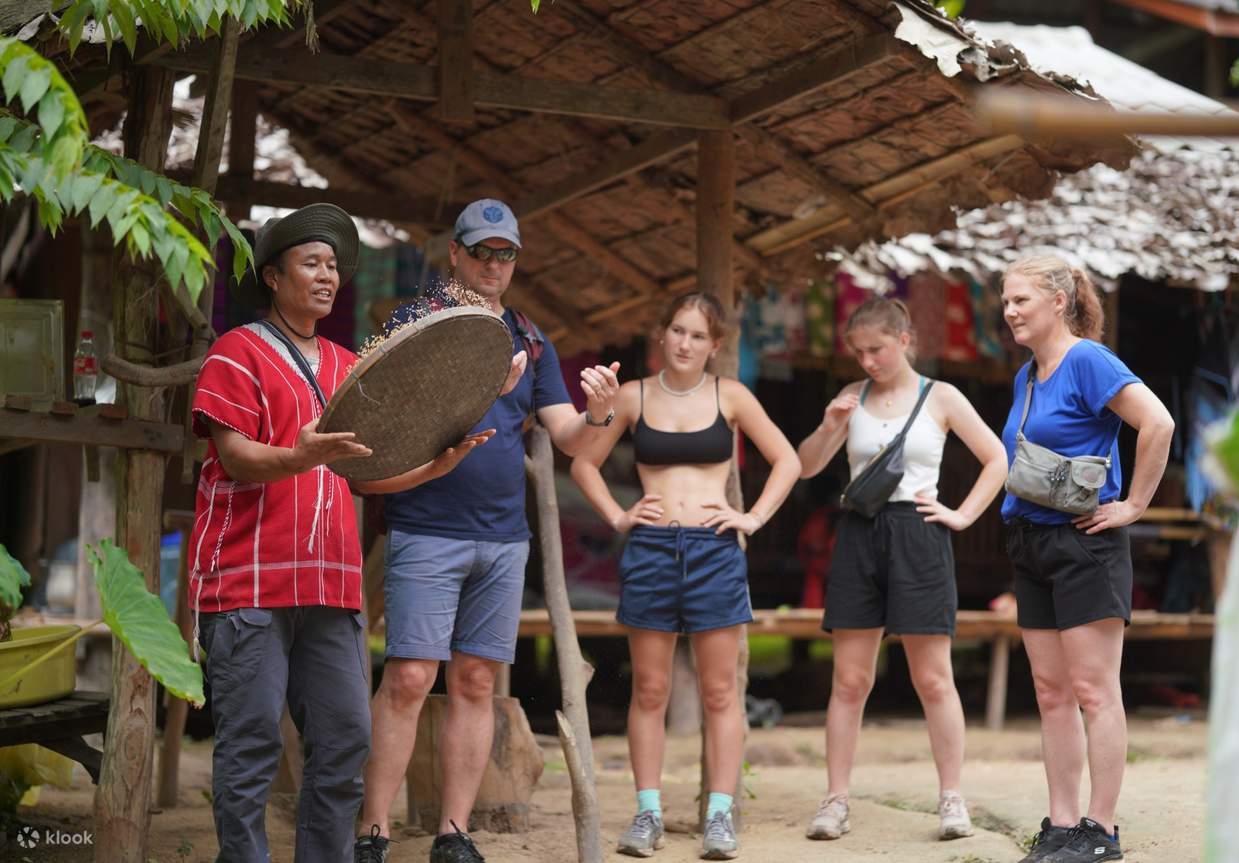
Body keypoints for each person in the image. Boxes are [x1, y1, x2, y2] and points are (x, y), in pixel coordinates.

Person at [191, 204, 495, 863]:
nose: (327, 275)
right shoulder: (235, 351)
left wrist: (434, 465)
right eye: (311, 263)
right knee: (249, 744)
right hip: (247, 578)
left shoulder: (343, 364)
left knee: (345, 739)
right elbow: (236, 454)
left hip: (330, 584)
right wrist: (298, 456)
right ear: (272, 276)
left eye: (332, 265)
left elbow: (361, 476)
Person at [357, 199, 622, 863]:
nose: (493, 265)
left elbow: (563, 434)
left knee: (477, 683)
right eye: (481, 252)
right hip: (425, 526)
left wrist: (597, 415)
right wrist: (479, 381)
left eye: (505, 254)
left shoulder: (531, 338)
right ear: (455, 253)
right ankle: (372, 830)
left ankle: (452, 831)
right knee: (412, 677)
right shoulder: (414, 321)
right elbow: (389, 423)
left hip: (504, 538)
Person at [570, 292, 801, 860]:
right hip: (649, 548)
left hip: (715, 550)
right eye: (677, 330)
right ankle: (647, 812)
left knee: (720, 691)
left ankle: (718, 817)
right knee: (650, 689)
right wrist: (619, 516)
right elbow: (581, 462)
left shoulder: (732, 395)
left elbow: (788, 460)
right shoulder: (632, 396)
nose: (685, 343)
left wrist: (751, 517)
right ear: (662, 334)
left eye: (698, 336)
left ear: (715, 346)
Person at [795, 297, 1008, 843]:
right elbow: (806, 466)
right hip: (860, 533)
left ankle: (951, 798)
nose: (868, 362)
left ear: (905, 340)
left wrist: (960, 515)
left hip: (919, 532)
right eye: (860, 352)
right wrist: (828, 426)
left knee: (933, 677)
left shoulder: (942, 396)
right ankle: (836, 799)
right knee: (849, 679)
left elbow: (998, 459)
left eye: (878, 350)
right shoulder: (850, 397)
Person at [999, 257, 1173, 863]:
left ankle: (1101, 831)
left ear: (1059, 300)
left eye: (1022, 299)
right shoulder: (1028, 375)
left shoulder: (1089, 361)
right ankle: (1062, 825)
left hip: (1084, 542)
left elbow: (1158, 423)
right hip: (1030, 541)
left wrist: (1133, 506)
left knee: (1094, 690)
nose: (1011, 311)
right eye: (1006, 301)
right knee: (1051, 691)